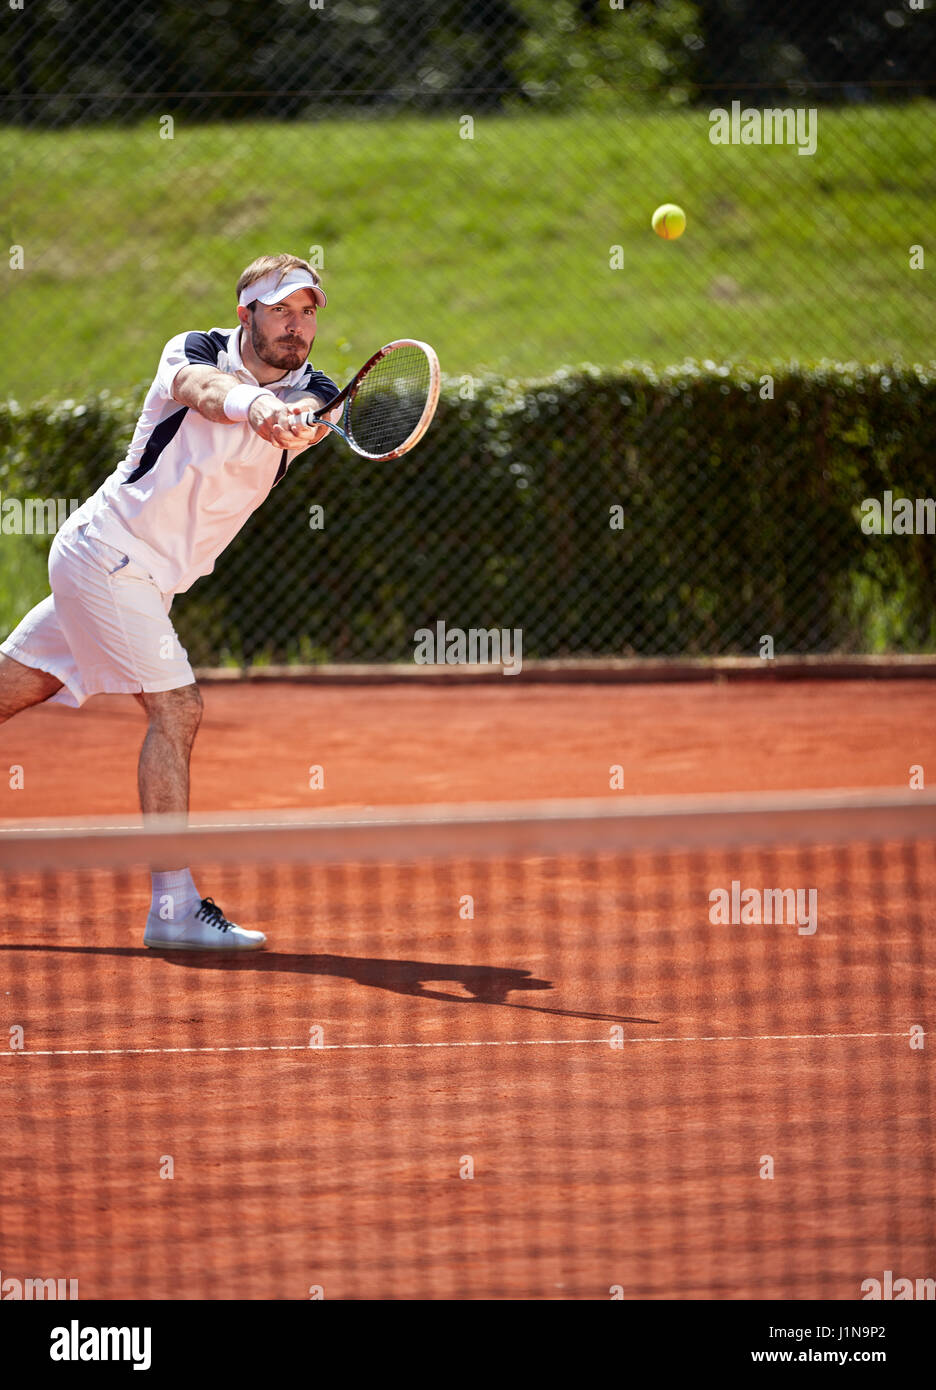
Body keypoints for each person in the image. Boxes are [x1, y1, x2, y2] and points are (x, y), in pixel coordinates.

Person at [0, 253, 340, 951]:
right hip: (107, 556)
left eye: (307, 312)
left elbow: (313, 408)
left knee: (7, 690)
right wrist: (261, 407)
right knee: (177, 707)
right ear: (246, 312)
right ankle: (174, 910)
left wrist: (301, 417)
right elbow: (201, 387)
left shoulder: (319, 390)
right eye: (281, 309)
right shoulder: (195, 350)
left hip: (143, 578)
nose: (296, 326)